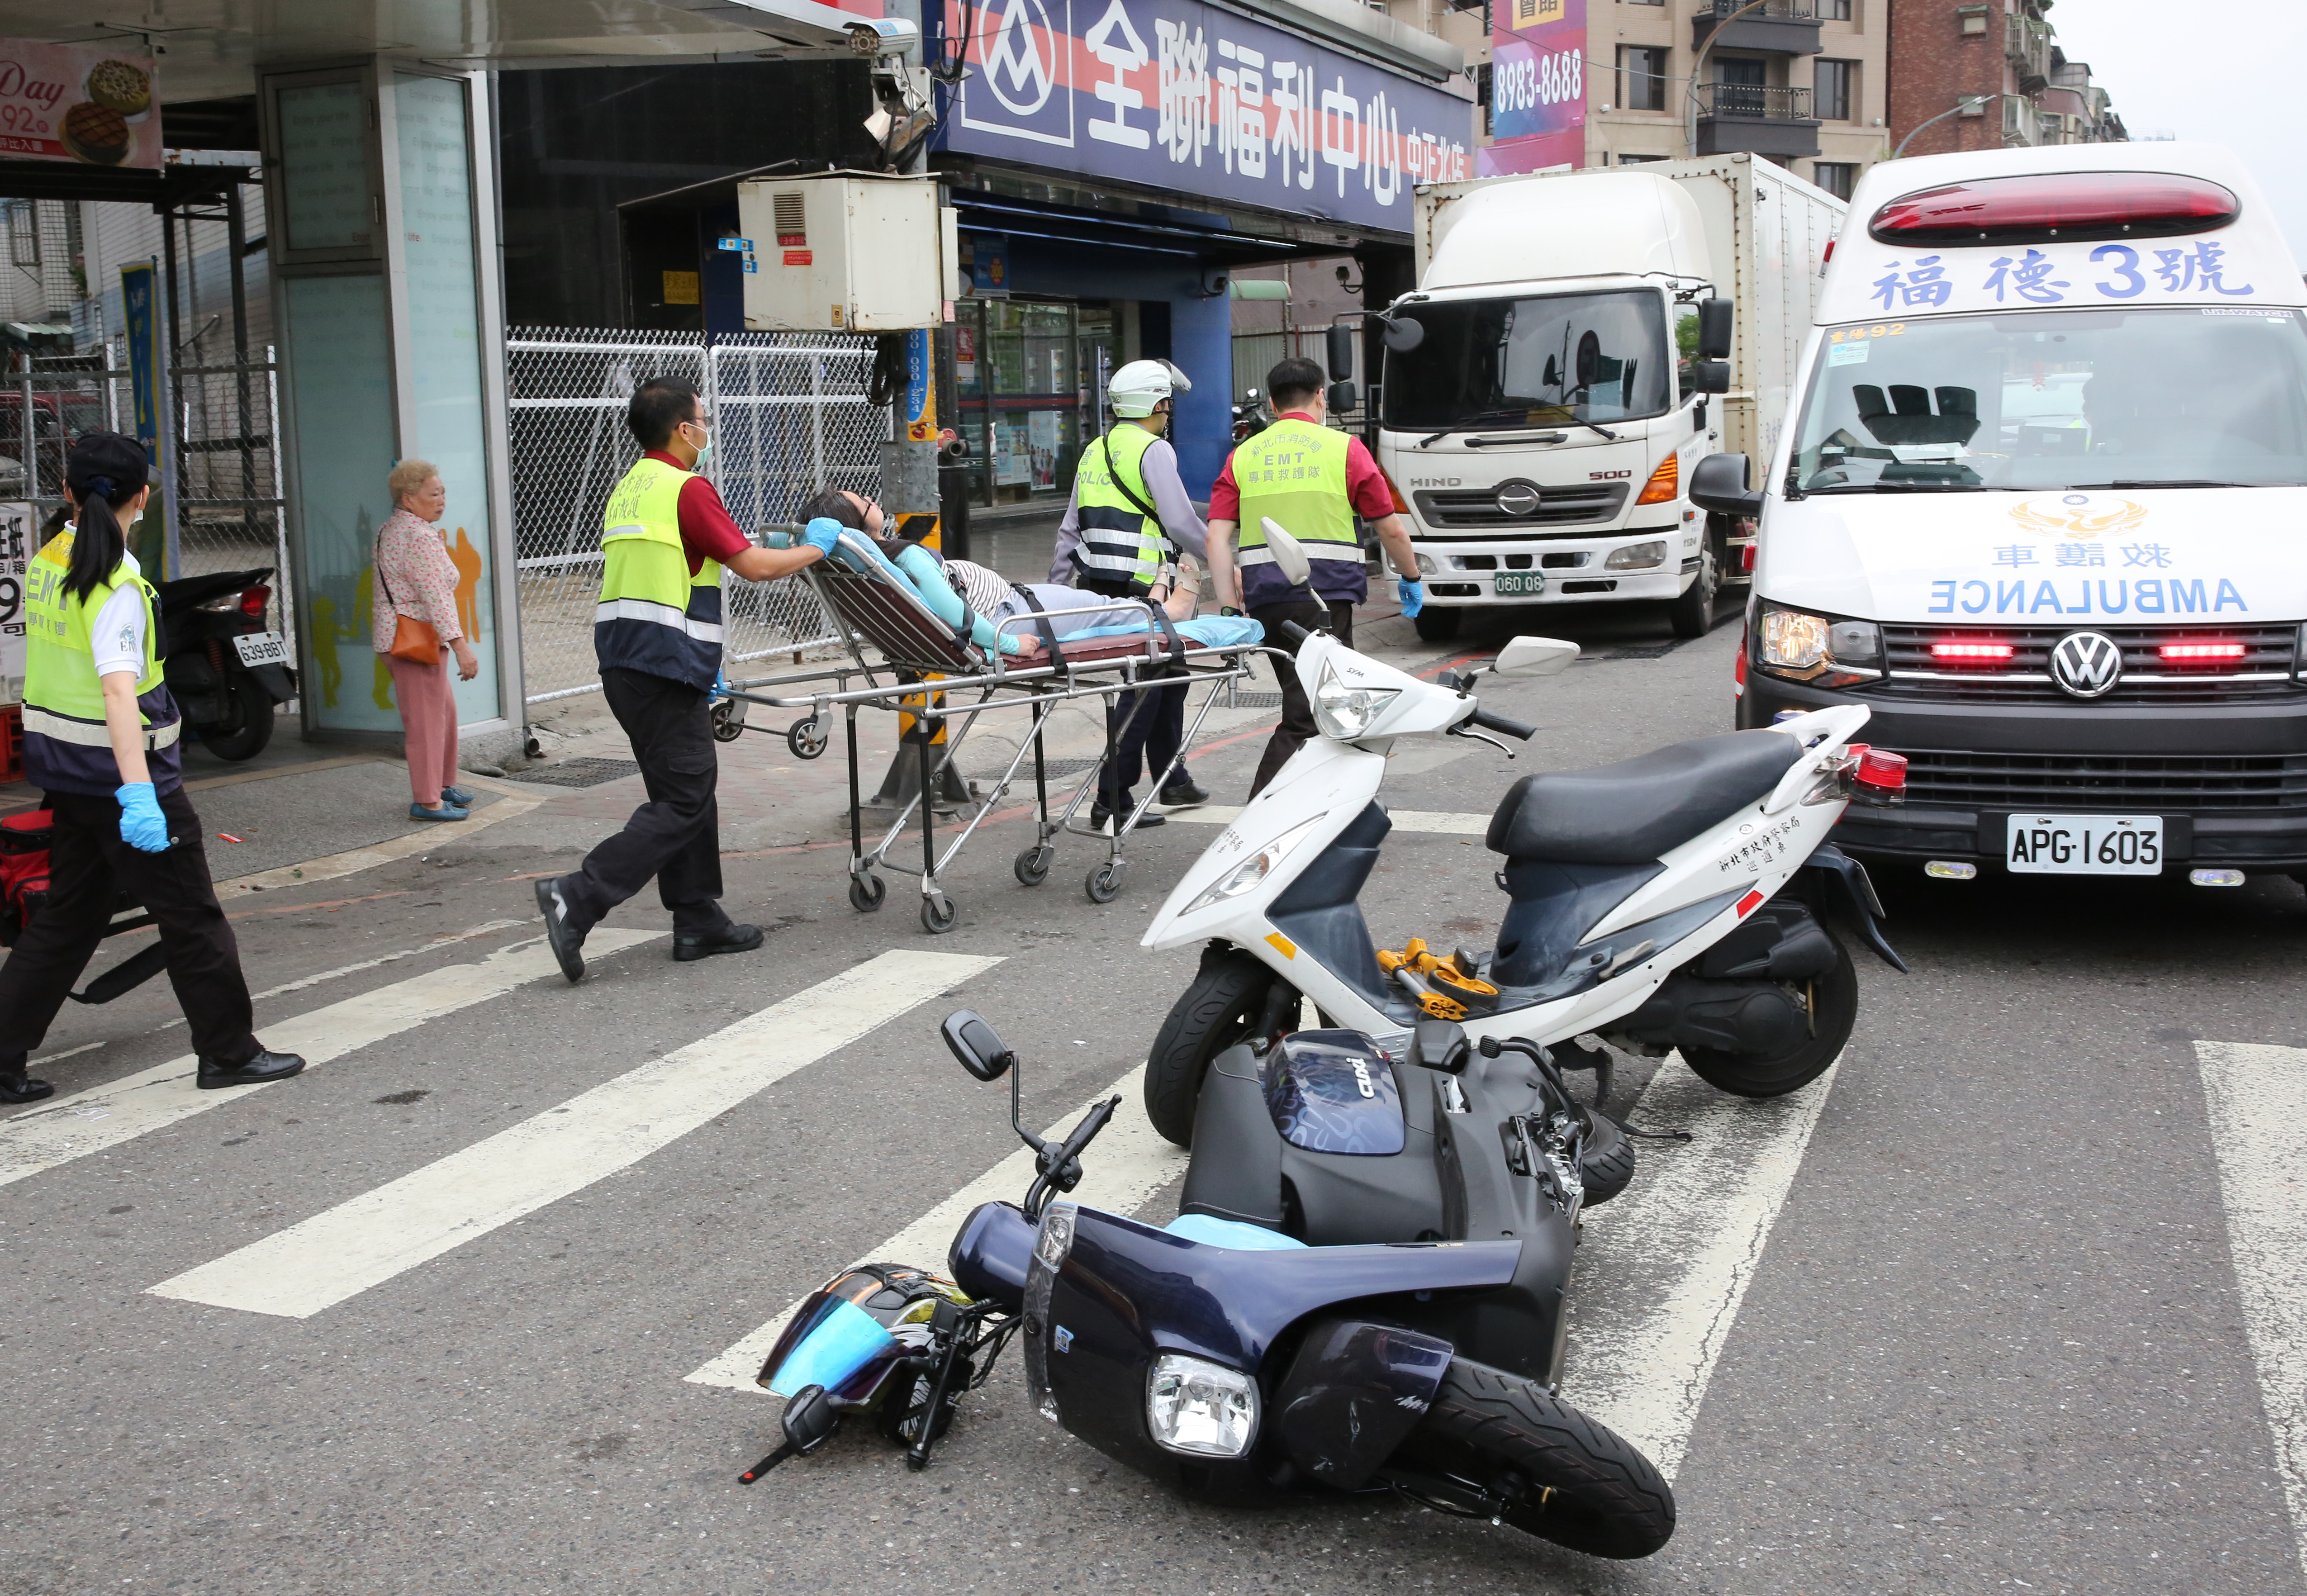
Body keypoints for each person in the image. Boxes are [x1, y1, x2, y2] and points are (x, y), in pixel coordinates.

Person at [0, 432, 304, 1103]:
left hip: (68, 773)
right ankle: (229, 1051)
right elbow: (118, 693)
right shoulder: (116, 582)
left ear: (69, 494)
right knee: (192, 915)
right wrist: (140, 793)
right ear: (143, 496)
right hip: (125, 778)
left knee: (69, 916)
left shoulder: (52, 558)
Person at [534, 375, 836, 983]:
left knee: (687, 791)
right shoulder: (687, 489)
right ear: (682, 429)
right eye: (702, 418)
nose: (707, 429)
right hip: (663, 666)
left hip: (630, 662)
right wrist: (816, 549)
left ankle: (697, 916)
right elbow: (751, 566)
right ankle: (578, 895)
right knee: (684, 797)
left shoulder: (630, 487)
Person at [1206, 356, 1424, 798]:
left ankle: (1334, 805)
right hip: (1323, 602)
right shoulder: (1345, 449)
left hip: (1266, 600)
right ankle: (1262, 810)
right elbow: (1391, 528)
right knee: (1310, 712)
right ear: (1321, 396)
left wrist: (1230, 604)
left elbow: (1216, 538)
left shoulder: (1244, 455)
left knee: (1323, 704)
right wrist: (1412, 576)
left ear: (1271, 403)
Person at [1048, 358, 1211, 830]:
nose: (1169, 412)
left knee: (1169, 677)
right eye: (1167, 404)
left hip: (1100, 586)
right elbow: (1180, 522)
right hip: (1147, 591)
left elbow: (1069, 527)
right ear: (1157, 403)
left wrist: (1055, 591)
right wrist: (1223, 560)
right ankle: (1111, 799)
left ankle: (1172, 777)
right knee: (1145, 690)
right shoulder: (1154, 450)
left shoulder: (1095, 449)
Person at [373, 459, 481, 821]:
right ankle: (427, 800)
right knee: (425, 723)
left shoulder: (392, 530)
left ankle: (442, 785)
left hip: (403, 637)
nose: (442, 500)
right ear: (408, 499)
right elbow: (436, 595)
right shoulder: (418, 537)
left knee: (443, 713)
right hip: (413, 642)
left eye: (443, 493)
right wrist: (461, 646)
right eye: (433, 494)